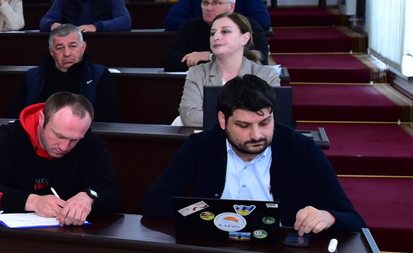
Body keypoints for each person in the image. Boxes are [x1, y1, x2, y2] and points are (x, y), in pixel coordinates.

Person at [141, 75, 364, 234]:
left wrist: (327, 217)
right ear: (223, 121)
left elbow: (352, 219)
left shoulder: (302, 149)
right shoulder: (201, 146)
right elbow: (153, 201)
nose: (257, 135)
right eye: (244, 125)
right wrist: (209, 211)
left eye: (265, 123)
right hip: (215, 251)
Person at [0, 92, 124, 224]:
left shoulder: (91, 144)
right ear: (42, 119)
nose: (64, 147)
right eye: (59, 136)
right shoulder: (11, 137)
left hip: (71, 236)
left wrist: (90, 197)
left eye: (74, 140)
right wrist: (32, 201)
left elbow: (115, 197)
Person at [177, 13, 281, 127]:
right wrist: (241, 121)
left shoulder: (267, 75)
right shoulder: (197, 73)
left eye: (225, 31)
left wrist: (225, 120)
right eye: (212, 33)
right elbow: (189, 116)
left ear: (245, 38)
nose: (216, 37)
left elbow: (272, 116)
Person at [9, 25, 119, 123]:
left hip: (85, 134)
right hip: (38, 132)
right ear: (52, 52)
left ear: (83, 47)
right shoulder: (32, 76)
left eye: (72, 46)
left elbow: (106, 114)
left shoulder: (99, 74)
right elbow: (15, 111)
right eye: (60, 48)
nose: (67, 53)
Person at [163, 0, 269, 71]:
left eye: (216, 3)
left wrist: (210, 56)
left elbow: (259, 61)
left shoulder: (249, 27)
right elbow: (169, 58)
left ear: (231, 7)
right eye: (205, 3)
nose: (209, 8)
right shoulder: (190, 26)